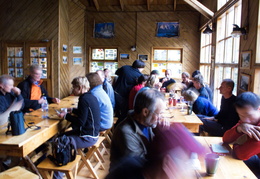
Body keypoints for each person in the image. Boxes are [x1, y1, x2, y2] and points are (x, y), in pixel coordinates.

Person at [55, 76, 101, 179]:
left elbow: (80, 122)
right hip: (92, 133)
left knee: (60, 140)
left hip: (88, 137)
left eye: (74, 87)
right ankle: (62, 167)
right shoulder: (90, 96)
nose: (72, 90)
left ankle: (58, 175)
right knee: (62, 135)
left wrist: (65, 116)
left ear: (80, 87)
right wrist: (73, 110)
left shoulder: (83, 99)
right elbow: (85, 113)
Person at [110, 89, 166, 170]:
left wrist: (162, 134)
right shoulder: (125, 132)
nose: (161, 118)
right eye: (159, 114)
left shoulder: (146, 122)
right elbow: (141, 166)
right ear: (145, 112)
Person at [223, 92, 260, 178]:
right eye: (241, 115)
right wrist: (238, 128)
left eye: (248, 115)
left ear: (258, 109)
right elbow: (225, 139)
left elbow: (240, 154)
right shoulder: (246, 121)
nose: (245, 120)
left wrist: (237, 144)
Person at [113, 59, 145, 124]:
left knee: (116, 112)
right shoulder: (139, 75)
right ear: (140, 67)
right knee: (123, 113)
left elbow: (116, 72)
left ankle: (115, 128)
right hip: (124, 96)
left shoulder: (125, 67)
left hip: (115, 92)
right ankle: (120, 129)